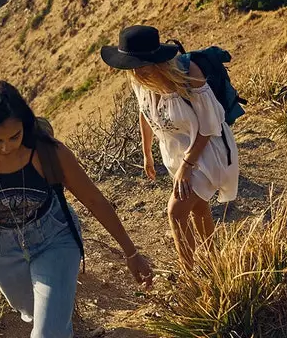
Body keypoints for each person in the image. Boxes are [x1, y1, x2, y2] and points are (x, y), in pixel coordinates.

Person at [0, 81, 153, 338]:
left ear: (24, 125)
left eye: (14, 137)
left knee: (47, 332)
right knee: (33, 314)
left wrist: (131, 252)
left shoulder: (48, 153)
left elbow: (94, 200)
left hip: (54, 237)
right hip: (0, 250)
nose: (6, 147)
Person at [100, 25, 239, 268]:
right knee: (198, 207)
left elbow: (210, 125)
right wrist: (147, 154)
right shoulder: (139, 79)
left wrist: (187, 165)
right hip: (177, 155)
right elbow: (145, 113)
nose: (135, 72)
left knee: (176, 211)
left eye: (140, 66)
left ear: (156, 61)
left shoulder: (189, 77)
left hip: (208, 153)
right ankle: (214, 262)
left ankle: (189, 275)